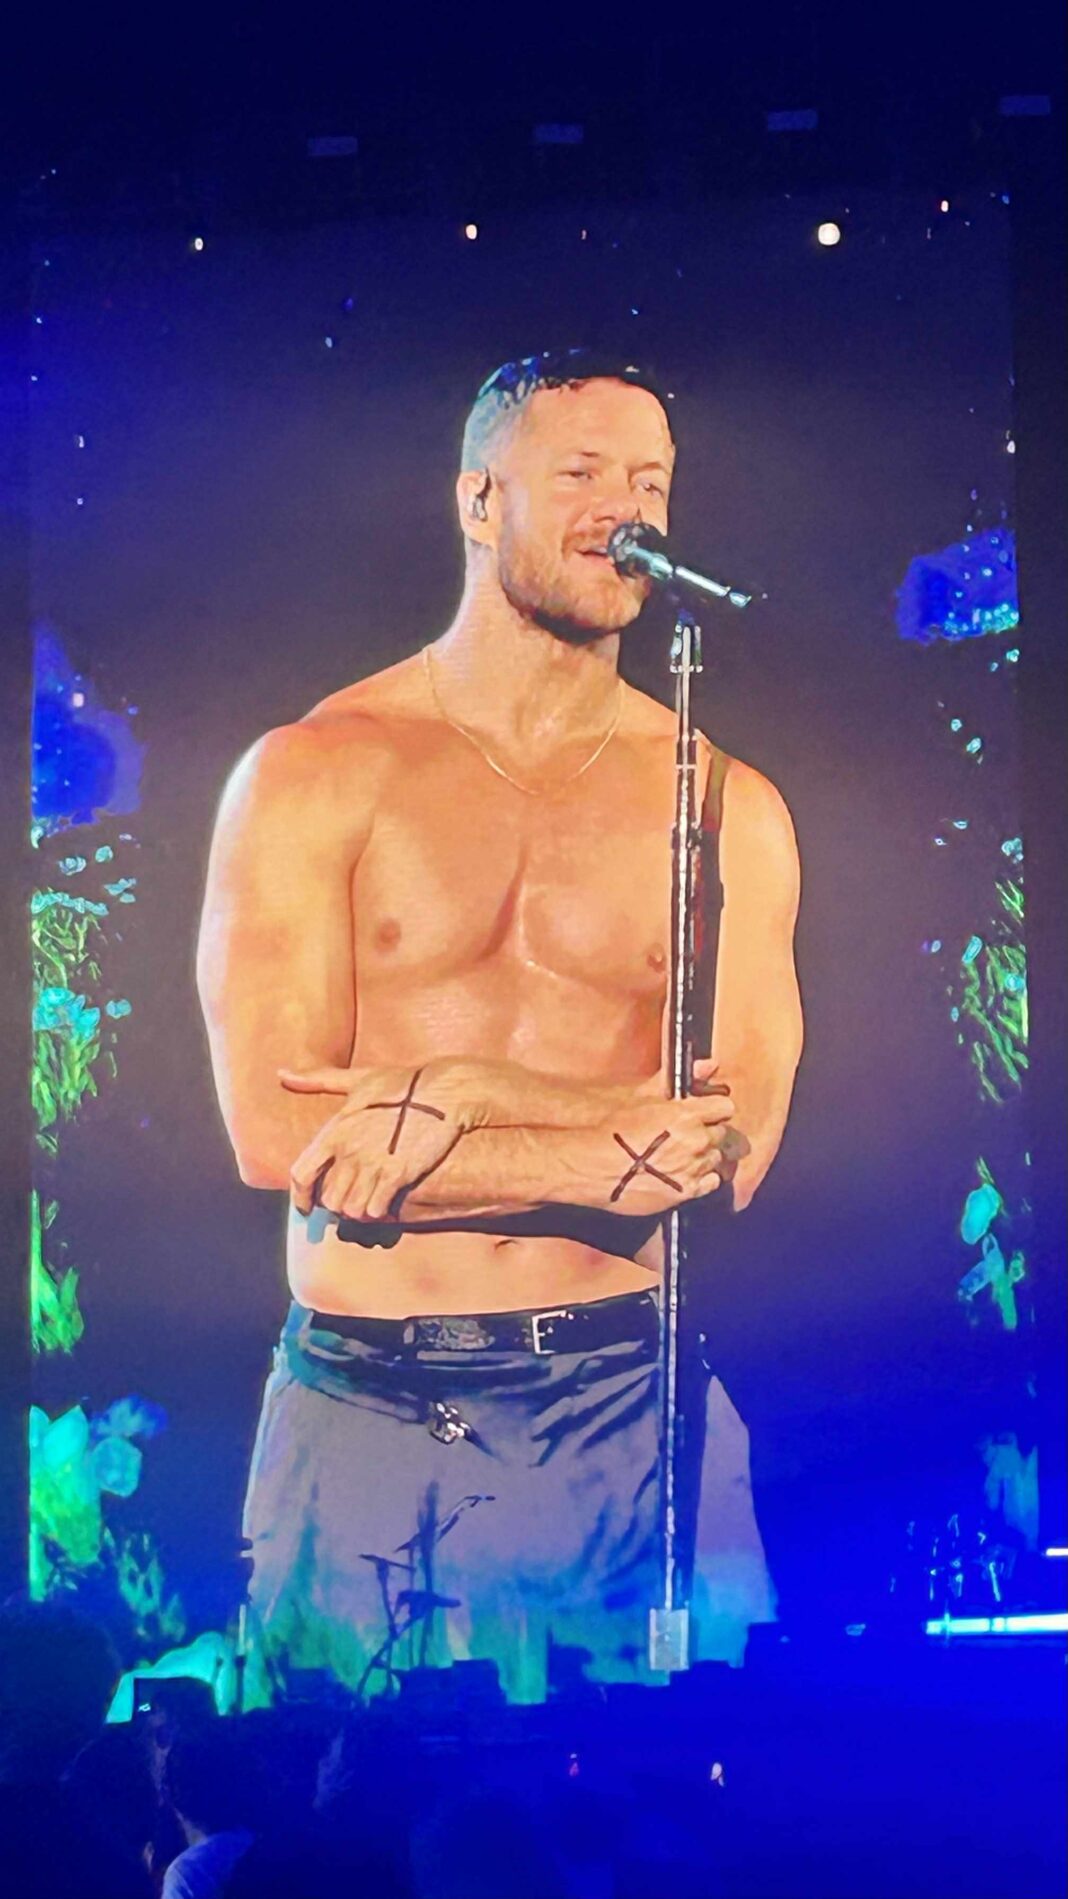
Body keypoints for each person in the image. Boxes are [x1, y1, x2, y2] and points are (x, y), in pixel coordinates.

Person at [197, 347, 803, 1703]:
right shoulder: (318, 771)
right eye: (580, 473)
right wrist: (601, 1142)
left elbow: (735, 1145)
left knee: (663, 1797)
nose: (623, 507)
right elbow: (279, 1132)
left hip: (625, 1399)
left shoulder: (725, 805)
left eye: (650, 480)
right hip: (366, 1396)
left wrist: (459, 1094)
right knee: (340, 1793)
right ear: (479, 500)